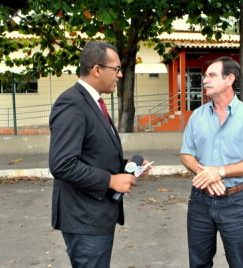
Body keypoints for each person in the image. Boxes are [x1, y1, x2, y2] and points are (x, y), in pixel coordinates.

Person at [49, 41, 151, 267]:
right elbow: (62, 164)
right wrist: (111, 180)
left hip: (96, 215)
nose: (120, 75)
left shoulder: (93, 102)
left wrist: (125, 166)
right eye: (116, 69)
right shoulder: (72, 103)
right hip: (85, 219)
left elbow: (91, 153)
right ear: (97, 69)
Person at [180, 56, 243, 268]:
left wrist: (218, 172)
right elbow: (186, 155)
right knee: (198, 263)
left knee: (239, 263)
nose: (205, 80)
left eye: (211, 75)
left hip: (235, 202)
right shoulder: (197, 116)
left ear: (229, 79)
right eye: (204, 76)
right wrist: (207, 176)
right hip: (200, 201)